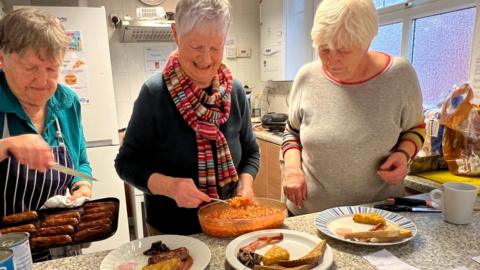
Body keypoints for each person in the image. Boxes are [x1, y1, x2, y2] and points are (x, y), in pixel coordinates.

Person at [115, 0, 260, 235]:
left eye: (215, 48)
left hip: (230, 223)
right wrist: (170, 187)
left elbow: (251, 152)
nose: (205, 60)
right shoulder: (154, 93)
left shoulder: (234, 92)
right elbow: (126, 164)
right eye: (195, 46)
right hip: (171, 232)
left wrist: (245, 185)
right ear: (176, 34)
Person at [281, 0, 426, 215]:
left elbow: (416, 128)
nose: (332, 60)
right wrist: (292, 169)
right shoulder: (307, 76)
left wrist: (404, 154)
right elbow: (292, 131)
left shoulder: (400, 76)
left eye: (343, 50)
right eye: (324, 49)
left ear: (366, 42)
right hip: (309, 214)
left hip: (376, 217)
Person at [0, 8, 93, 259]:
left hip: (58, 247)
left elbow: (80, 161)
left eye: (52, 69)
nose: (43, 80)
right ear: (2, 59)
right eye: (31, 68)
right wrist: (5, 145)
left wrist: (81, 185)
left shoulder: (67, 102)